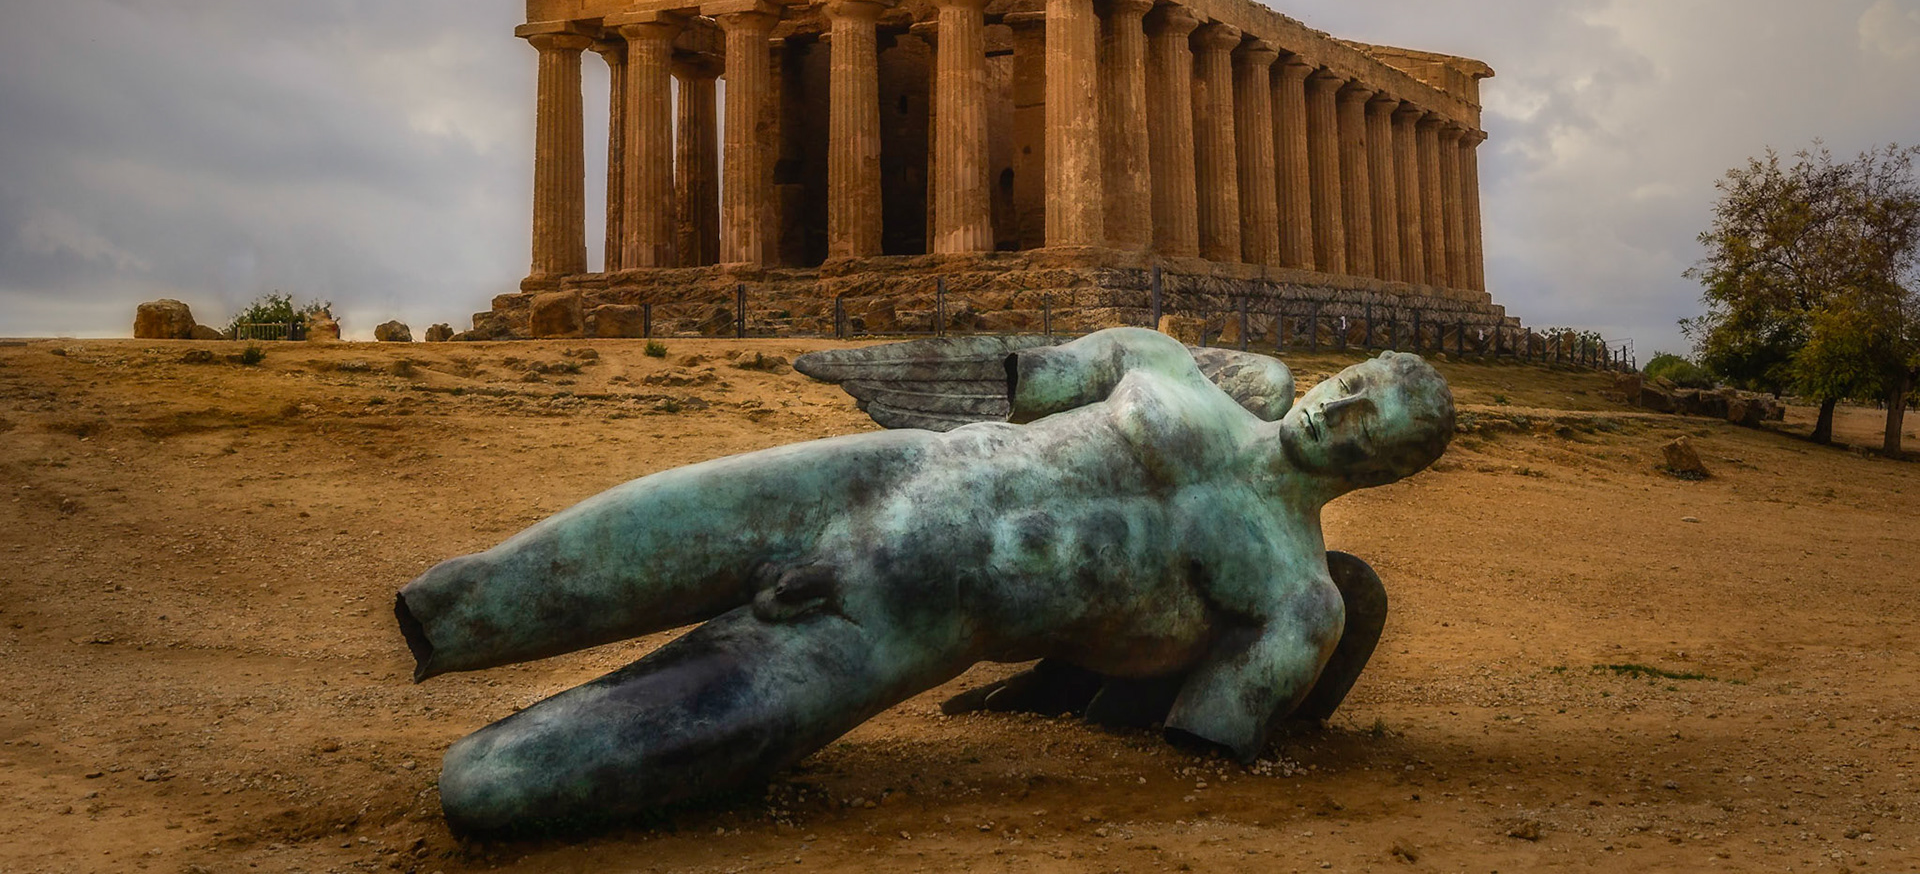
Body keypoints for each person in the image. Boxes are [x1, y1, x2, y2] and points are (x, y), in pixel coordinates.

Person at [395, 327, 1453, 834]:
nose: (1340, 417)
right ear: (1336, 374)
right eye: (1353, 390)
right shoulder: (1175, 369)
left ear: (1392, 474)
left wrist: (1251, 676)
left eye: (1374, 435)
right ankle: (446, 622)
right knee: (504, 582)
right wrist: (885, 364)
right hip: (876, 476)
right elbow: (1009, 375)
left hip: (902, 624)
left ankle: (503, 763)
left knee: (491, 789)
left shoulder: (1296, 597)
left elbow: (1200, 727)